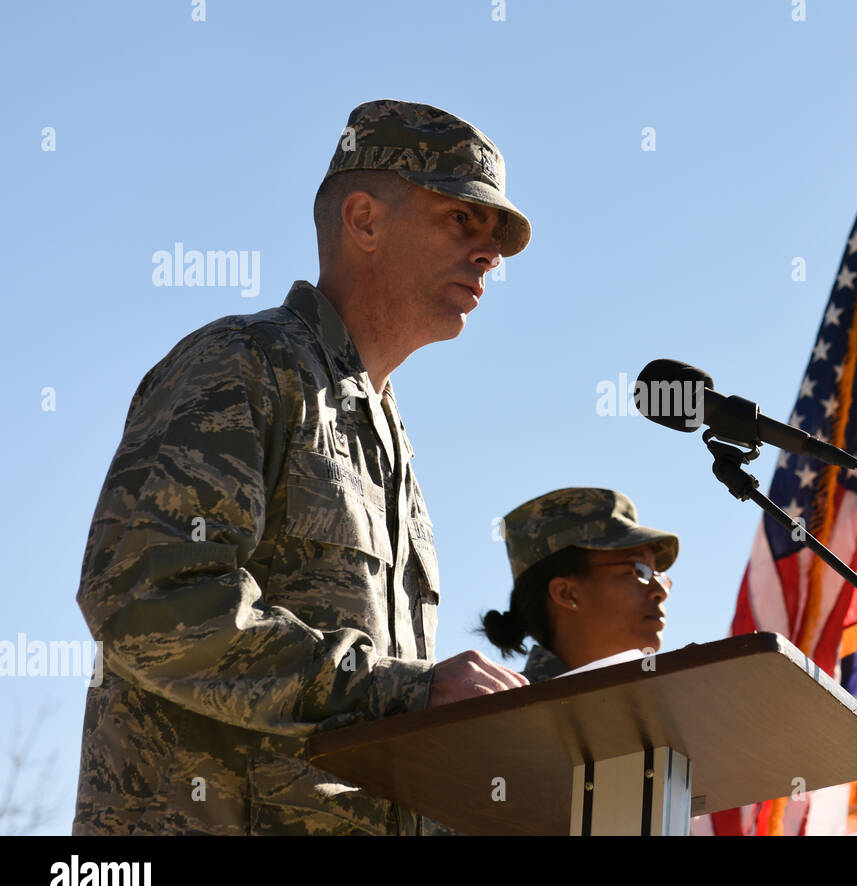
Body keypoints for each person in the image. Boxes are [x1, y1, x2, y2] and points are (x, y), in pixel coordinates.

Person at [73, 100, 533, 835]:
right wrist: (404, 692)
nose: (490, 255)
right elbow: (147, 601)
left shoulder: (389, 437)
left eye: (495, 241)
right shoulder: (246, 365)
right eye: (461, 221)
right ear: (364, 220)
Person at [480, 487, 679, 684]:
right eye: (639, 570)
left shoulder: (670, 703)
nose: (660, 592)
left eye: (658, 575)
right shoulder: (500, 709)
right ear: (567, 593)